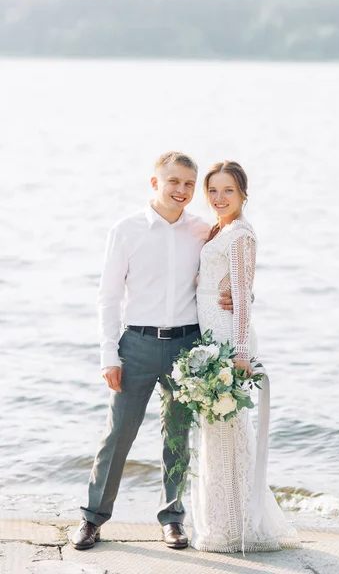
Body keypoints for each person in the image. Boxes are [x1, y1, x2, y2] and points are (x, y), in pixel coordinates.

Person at [72, 151, 232, 551]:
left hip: (187, 347)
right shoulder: (125, 230)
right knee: (118, 433)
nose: (182, 190)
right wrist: (109, 354)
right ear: (155, 183)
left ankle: (172, 519)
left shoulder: (203, 231)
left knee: (178, 434)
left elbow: (220, 278)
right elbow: (108, 297)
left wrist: (232, 295)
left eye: (189, 184)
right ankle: (92, 518)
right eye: (174, 181)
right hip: (137, 345)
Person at [191, 161, 299, 553]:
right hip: (207, 339)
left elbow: (241, 297)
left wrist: (239, 353)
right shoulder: (219, 229)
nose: (220, 199)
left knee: (229, 431)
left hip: (224, 341)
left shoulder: (240, 235)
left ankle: (237, 528)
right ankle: (222, 521)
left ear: (243, 195)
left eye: (228, 191)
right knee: (215, 434)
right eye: (214, 191)